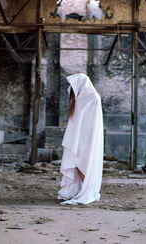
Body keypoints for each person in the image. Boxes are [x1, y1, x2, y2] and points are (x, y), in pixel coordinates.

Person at [58, 73, 104, 205]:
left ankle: (88, 190)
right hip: (79, 138)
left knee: (85, 164)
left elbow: (93, 122)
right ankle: (79, 189)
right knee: (75, 161)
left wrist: (88, 139)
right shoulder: (80, 99)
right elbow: (76, 122)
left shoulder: (94, 97)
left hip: (89, 138)